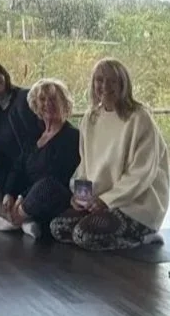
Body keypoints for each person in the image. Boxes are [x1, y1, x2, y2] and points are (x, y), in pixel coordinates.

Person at [50, 59, 170, 251]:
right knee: (58, 227)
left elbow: (141, 174)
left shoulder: (139, 117)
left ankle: (144, 236)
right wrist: (80, 197)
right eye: (99, 80)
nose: (104, 86)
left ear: (123, 84)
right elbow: (86, 165)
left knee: (84, 235)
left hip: (136, 205)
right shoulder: (91, 117)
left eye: (112, 81)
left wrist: (106, 201)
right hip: (100, 202)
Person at [0, 78, 79, 238]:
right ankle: (20, 219)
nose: (47, 104)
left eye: (53, 99)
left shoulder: (71, 135)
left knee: (46, 186)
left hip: (50, 193)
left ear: (63, 103)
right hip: (25, 193)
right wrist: (9, 194)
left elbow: (57, 175)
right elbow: (18, 168)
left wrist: (22, 197)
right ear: (36, 105)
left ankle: (10, 220)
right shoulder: (35, 135)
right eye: (42, 99)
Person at [0, 59, 42, 215]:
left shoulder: (23, 99)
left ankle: (10, 213)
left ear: (4, 75)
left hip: (27, 170)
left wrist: (10, 187)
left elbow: (29, 146)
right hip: (9, 172)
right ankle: (11, 210)